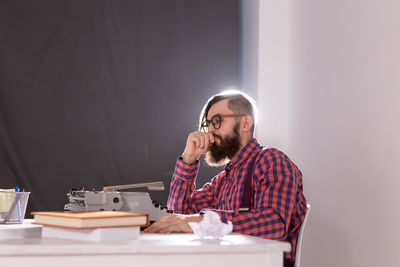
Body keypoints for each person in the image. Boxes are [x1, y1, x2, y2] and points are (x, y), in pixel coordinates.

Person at [145, 91, 307, 267]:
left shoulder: (271, 160)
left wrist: (201, 221)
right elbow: (179, 214)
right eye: (208, 124)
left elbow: (273, 223)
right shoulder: (224, 179)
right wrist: (188, 160)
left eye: (216, 121)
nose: (210, 131)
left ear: (245, 123)